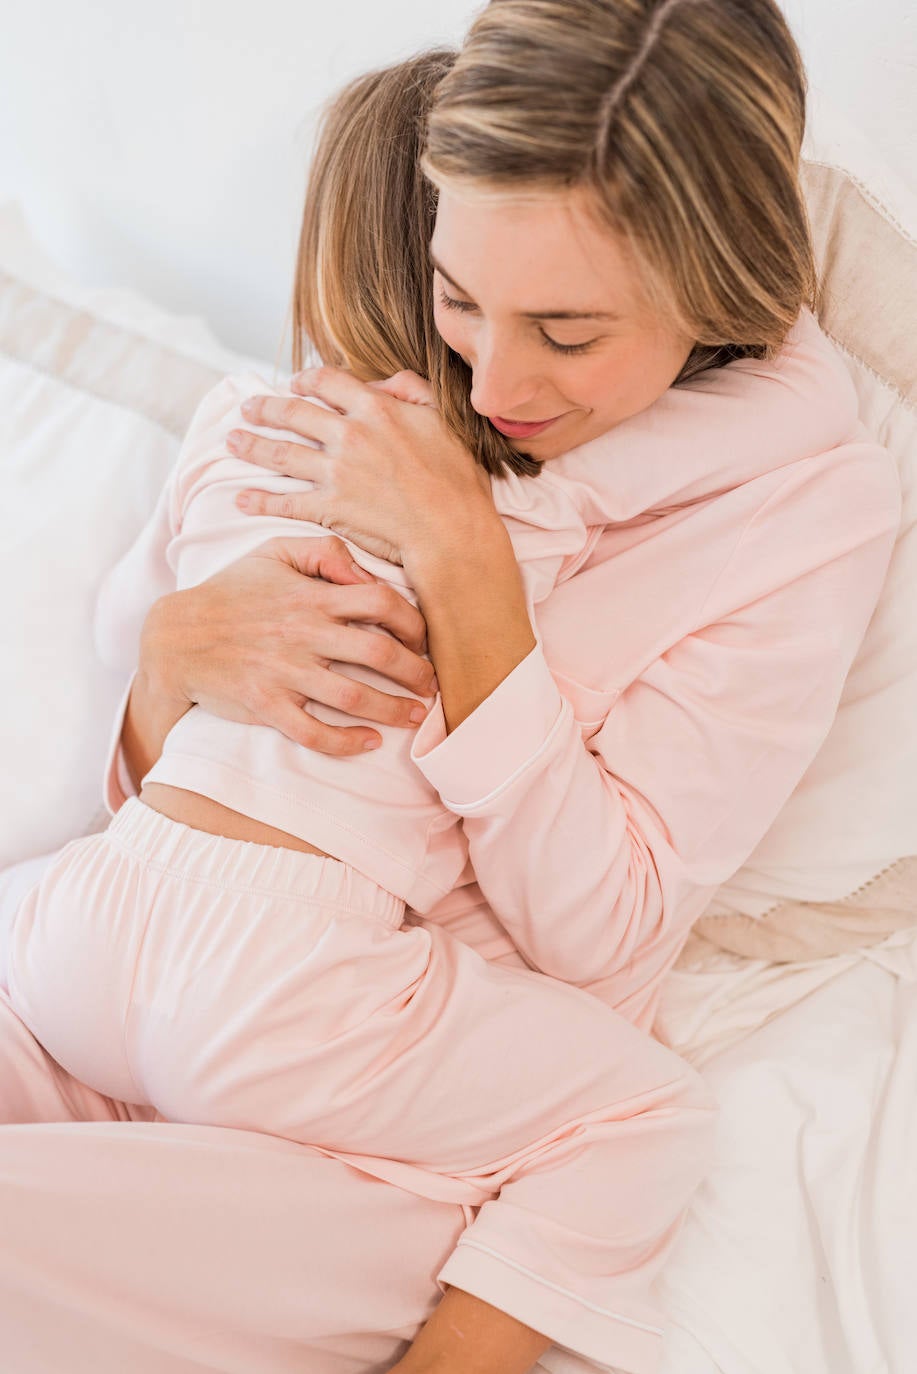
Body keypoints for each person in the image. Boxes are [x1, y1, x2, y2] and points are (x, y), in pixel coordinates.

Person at [0, 3, 900, 1373]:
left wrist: (473, 584)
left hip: (355, 1114)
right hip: (164, 973)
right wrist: (180, 648)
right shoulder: (362, 391)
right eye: (460, 295)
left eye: (568, 329)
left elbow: (603, 932)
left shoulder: (800, 511)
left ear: (716, 287)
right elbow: (139, 783)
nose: (491, 374)